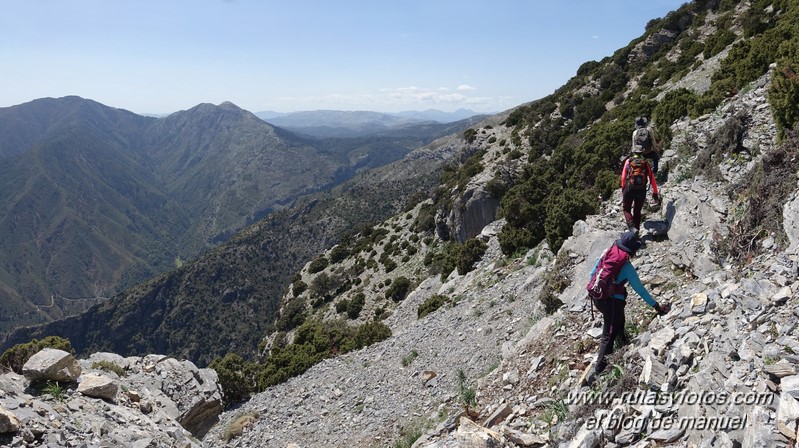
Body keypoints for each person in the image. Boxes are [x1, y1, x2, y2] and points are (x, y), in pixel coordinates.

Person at [584, 231, 670, 386]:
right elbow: (640, 290)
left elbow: (592, 273)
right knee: (608, 335)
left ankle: (623, 344)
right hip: (612, 303)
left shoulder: (607, 254)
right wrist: (656, 306)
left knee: (619, 322)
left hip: (597, 298)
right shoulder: (627, 267)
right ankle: (599, 372)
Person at [621, 146, 660, 232]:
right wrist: (655, 193)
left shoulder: (628, 161)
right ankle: (637, 231)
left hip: (629, 189)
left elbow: (623, 177)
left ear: (633, 152)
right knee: (637, 211)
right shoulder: (645, 163)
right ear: (642, 153)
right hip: (641, 190)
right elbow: (652, 179)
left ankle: (631, 227)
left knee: (626, 209)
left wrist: (623, 188)